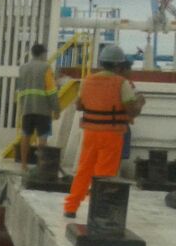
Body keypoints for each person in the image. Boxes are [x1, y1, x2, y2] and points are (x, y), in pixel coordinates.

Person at [63, 44, 145, 218]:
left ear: (101, 62)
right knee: (105, 174)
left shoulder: (87, 81)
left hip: (91, 133)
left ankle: (71, 207)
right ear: (118, 65)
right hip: (112, 134)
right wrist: (140, 101)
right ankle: (98, 210)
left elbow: (79, 105)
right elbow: (131, 111)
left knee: (84, 170)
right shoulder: (121, 83)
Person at [15, 43, 60, 172]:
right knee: (42, 138)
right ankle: (41, 165)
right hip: (43, 109)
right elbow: (51, 90)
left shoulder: (23, 68)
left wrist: (22, 105)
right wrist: (56, 109)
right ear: (43, 54)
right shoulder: (46, 67)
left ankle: (23, 165)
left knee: (25, 136)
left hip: (27, 108)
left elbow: (20, 89)